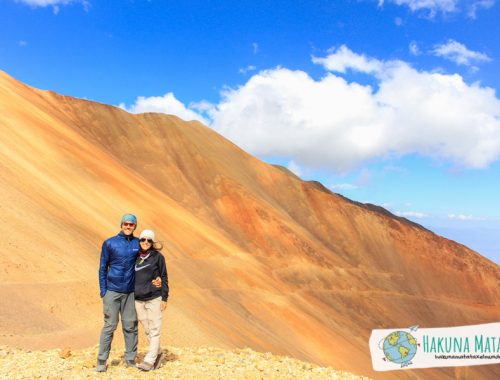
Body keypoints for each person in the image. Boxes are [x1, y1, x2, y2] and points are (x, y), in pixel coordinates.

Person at [96, 214, 160, 372]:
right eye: (125, 224)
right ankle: (101, 360)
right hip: (112, 291)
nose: (128, 226)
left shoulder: (138, 244)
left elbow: (150, 260)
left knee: (130, 326)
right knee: (110, 326)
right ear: (121, 225)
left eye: (131, 224)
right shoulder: (110, 243)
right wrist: (103, 290)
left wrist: (157, 277)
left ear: (135, 226)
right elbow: (103, 267)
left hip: (131, 292)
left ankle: (130, 358)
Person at [134, 229, 169, 371]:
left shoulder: (158, 257)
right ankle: (158, 353)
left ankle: (149, 360)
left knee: (154, 329)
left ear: (152, 242)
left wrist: (165, 297)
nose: (145, 242)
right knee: (147, 329)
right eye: (143, 240)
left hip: (154, 297)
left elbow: (164, 276)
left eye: (149, 240)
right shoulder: (135, 256)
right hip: (137, 299)